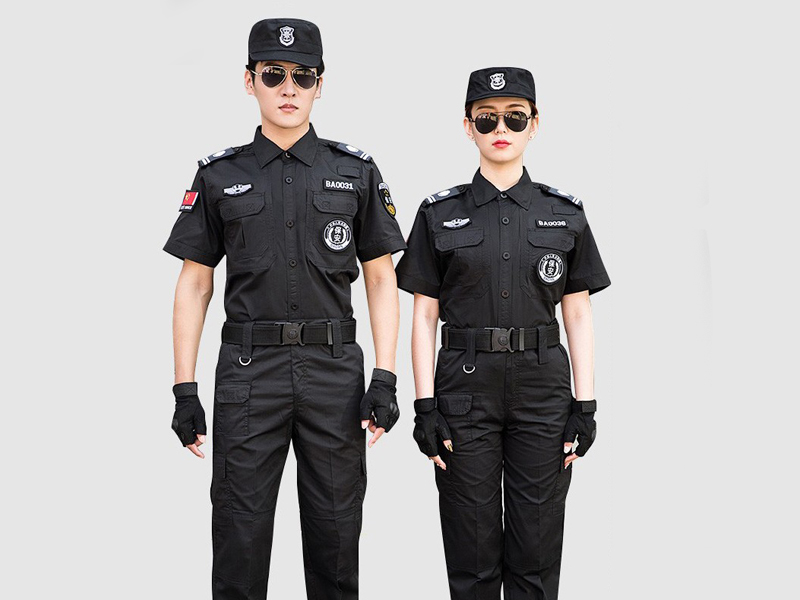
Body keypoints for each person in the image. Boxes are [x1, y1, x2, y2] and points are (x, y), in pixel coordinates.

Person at [163, 18, 406, 600]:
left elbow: (381, 278)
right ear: (250, 81)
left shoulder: (355, 172)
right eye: (274, 74)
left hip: (334, 373)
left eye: (303, 76)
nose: (289, 88)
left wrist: (385, 377)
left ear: (321, 84)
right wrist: (183, 390)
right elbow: (194, 285)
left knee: (336, 540)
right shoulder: (219, 176)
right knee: (239, 540)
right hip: (250, 375)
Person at [395, 67, 610, 599]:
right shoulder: (439, 213)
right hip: (463, 389)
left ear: (535, 124)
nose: (501, 129)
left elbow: (577, 313)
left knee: (536, 549)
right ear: (467, 125)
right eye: (486, 118)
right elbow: (424, 316)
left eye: (515, 117)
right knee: (470, 548)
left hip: (543, 391)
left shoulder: (565, 214)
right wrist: (424, 406)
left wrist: (585, 405)